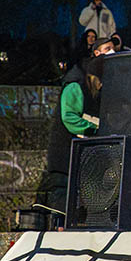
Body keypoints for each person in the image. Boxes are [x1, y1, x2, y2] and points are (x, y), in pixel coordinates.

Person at [36, 54, 103, 216]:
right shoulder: (75, 87)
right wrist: (95, 128)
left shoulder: (93, 93)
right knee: (61, 200)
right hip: (63, 155)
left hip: (78, 157)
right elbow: (69, 118)